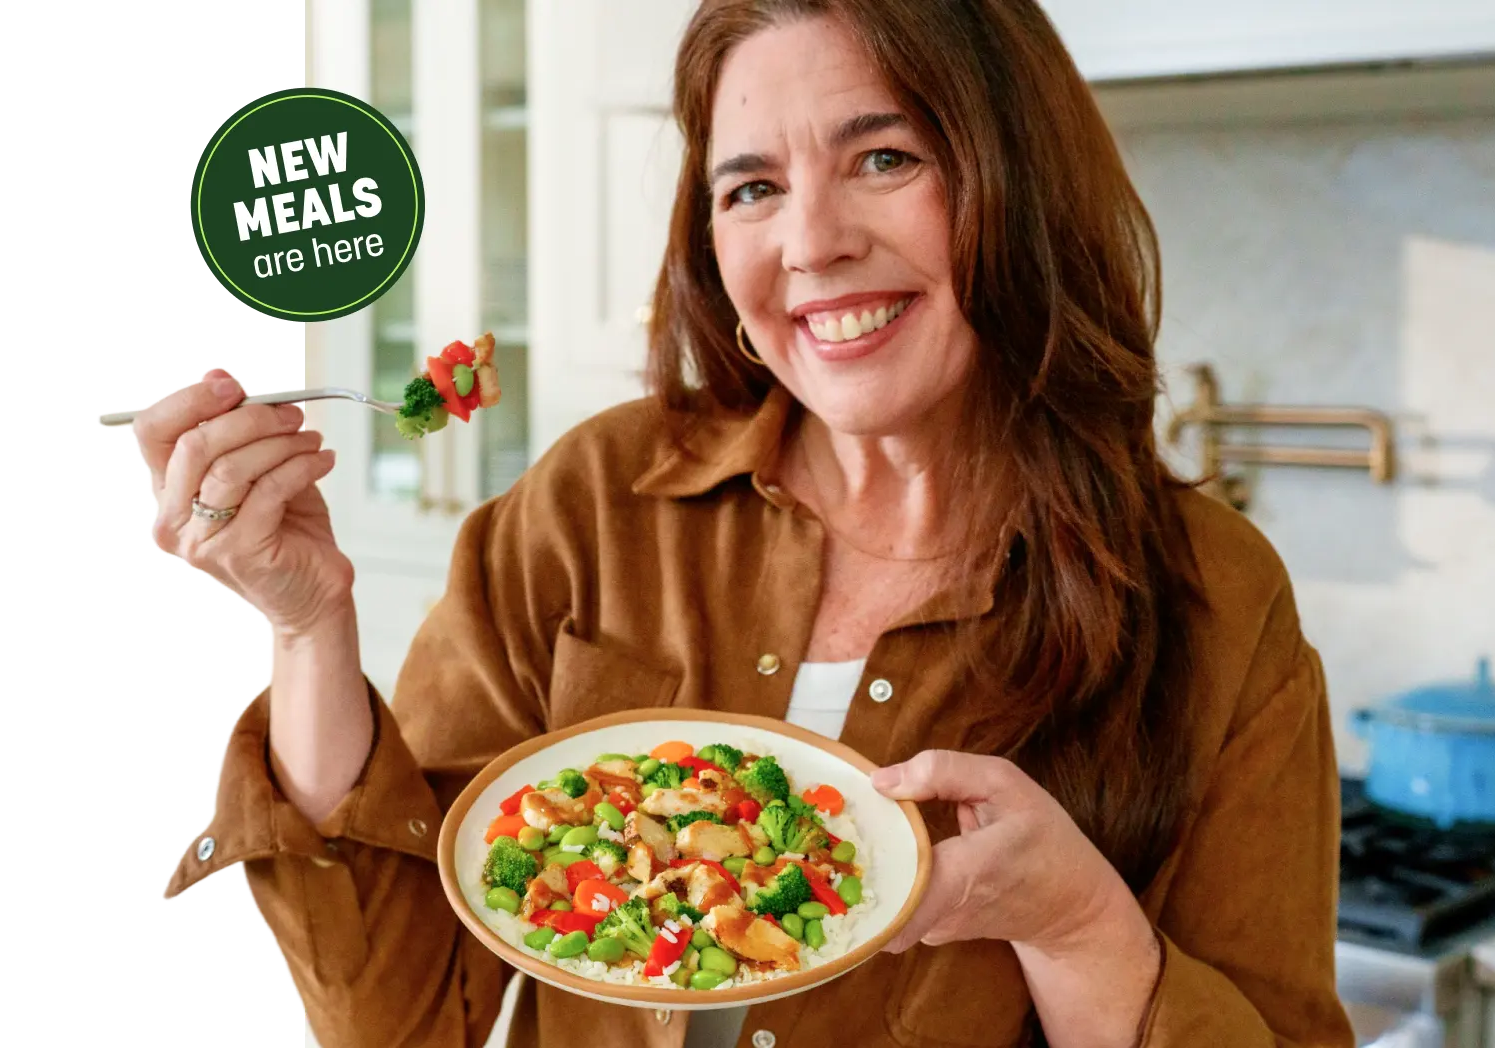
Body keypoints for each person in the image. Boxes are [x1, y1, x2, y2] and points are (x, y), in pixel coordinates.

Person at [146, 1, 1353, 1045]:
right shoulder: (593, 505)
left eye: (885, 157)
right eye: (753, 187)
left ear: (1015, 175)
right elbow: (402, 1018)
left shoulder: (1218, 601)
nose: (811, 243)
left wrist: (1076, 925)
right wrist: (309, 627)